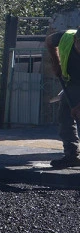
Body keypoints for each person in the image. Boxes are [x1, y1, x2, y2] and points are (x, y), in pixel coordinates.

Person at [45, 28, 80, 168]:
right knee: (65, 114)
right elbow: (48, 41)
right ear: (75, 40)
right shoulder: (65, 38)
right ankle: (72, 155)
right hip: (74, 82)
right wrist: (56, 62)